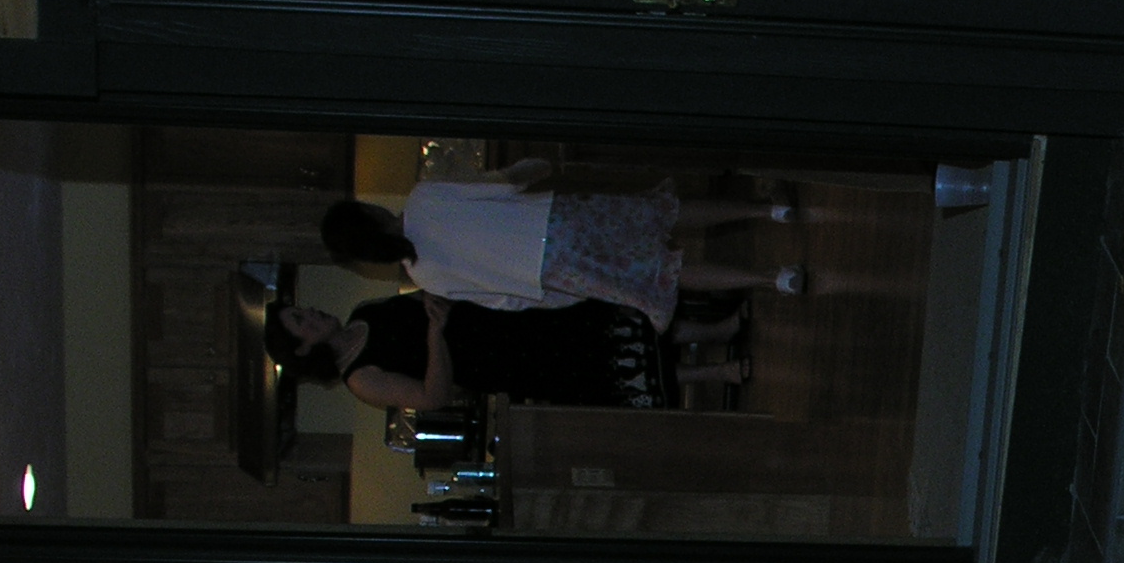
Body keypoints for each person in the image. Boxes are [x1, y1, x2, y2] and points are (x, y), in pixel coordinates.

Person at [320, 166, 802, 335]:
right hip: (554, 219)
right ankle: (770, 210)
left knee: (663, 273)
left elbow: (504, 302)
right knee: (662, 214)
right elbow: (503, 185)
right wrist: (531, 169)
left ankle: (774, 279)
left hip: (555, 272)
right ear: (371, 213)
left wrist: (556, 293)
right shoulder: (424, 198)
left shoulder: (425, 277)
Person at [265, 292, 751, 414]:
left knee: (614, 327)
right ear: (305, 347)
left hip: (506, 321)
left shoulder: (363, 310)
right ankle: (718, 371)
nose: (312, 313)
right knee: (608, 369)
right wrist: (435, 337)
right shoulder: (360, 378)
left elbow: (429, 298)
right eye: (301, 321)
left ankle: (720, 328)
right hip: (502, 362)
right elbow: (433, 396)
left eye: (302, 309)